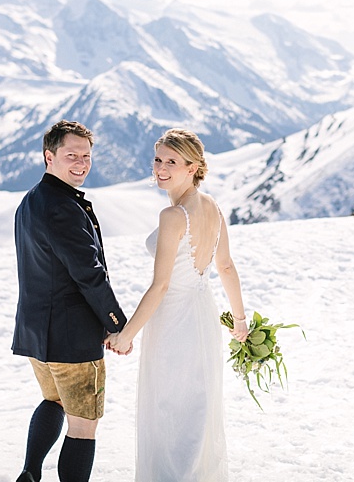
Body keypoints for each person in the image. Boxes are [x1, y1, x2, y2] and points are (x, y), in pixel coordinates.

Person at [106, 128, 249, 482]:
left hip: (173, 320)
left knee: (169, 409)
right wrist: (240, 319)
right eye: (157, 159)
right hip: (202, 315)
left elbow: (161, 285)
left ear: (193, 167)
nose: (160, 168)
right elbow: (225, 266)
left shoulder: (173, 216)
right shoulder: (212, 206)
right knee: (195, 407)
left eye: (172, 162)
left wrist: (127, 335)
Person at [12, 120, 129, 482]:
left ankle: (30, 473)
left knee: (54, 401)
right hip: (72, 339)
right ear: (49, 156)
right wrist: (117, 325)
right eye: (71, 155)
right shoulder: (62, 207)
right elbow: (88, 274)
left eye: (86, 156)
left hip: (36, 335)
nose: (81, 163)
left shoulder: (32, 200)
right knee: (84, 425)